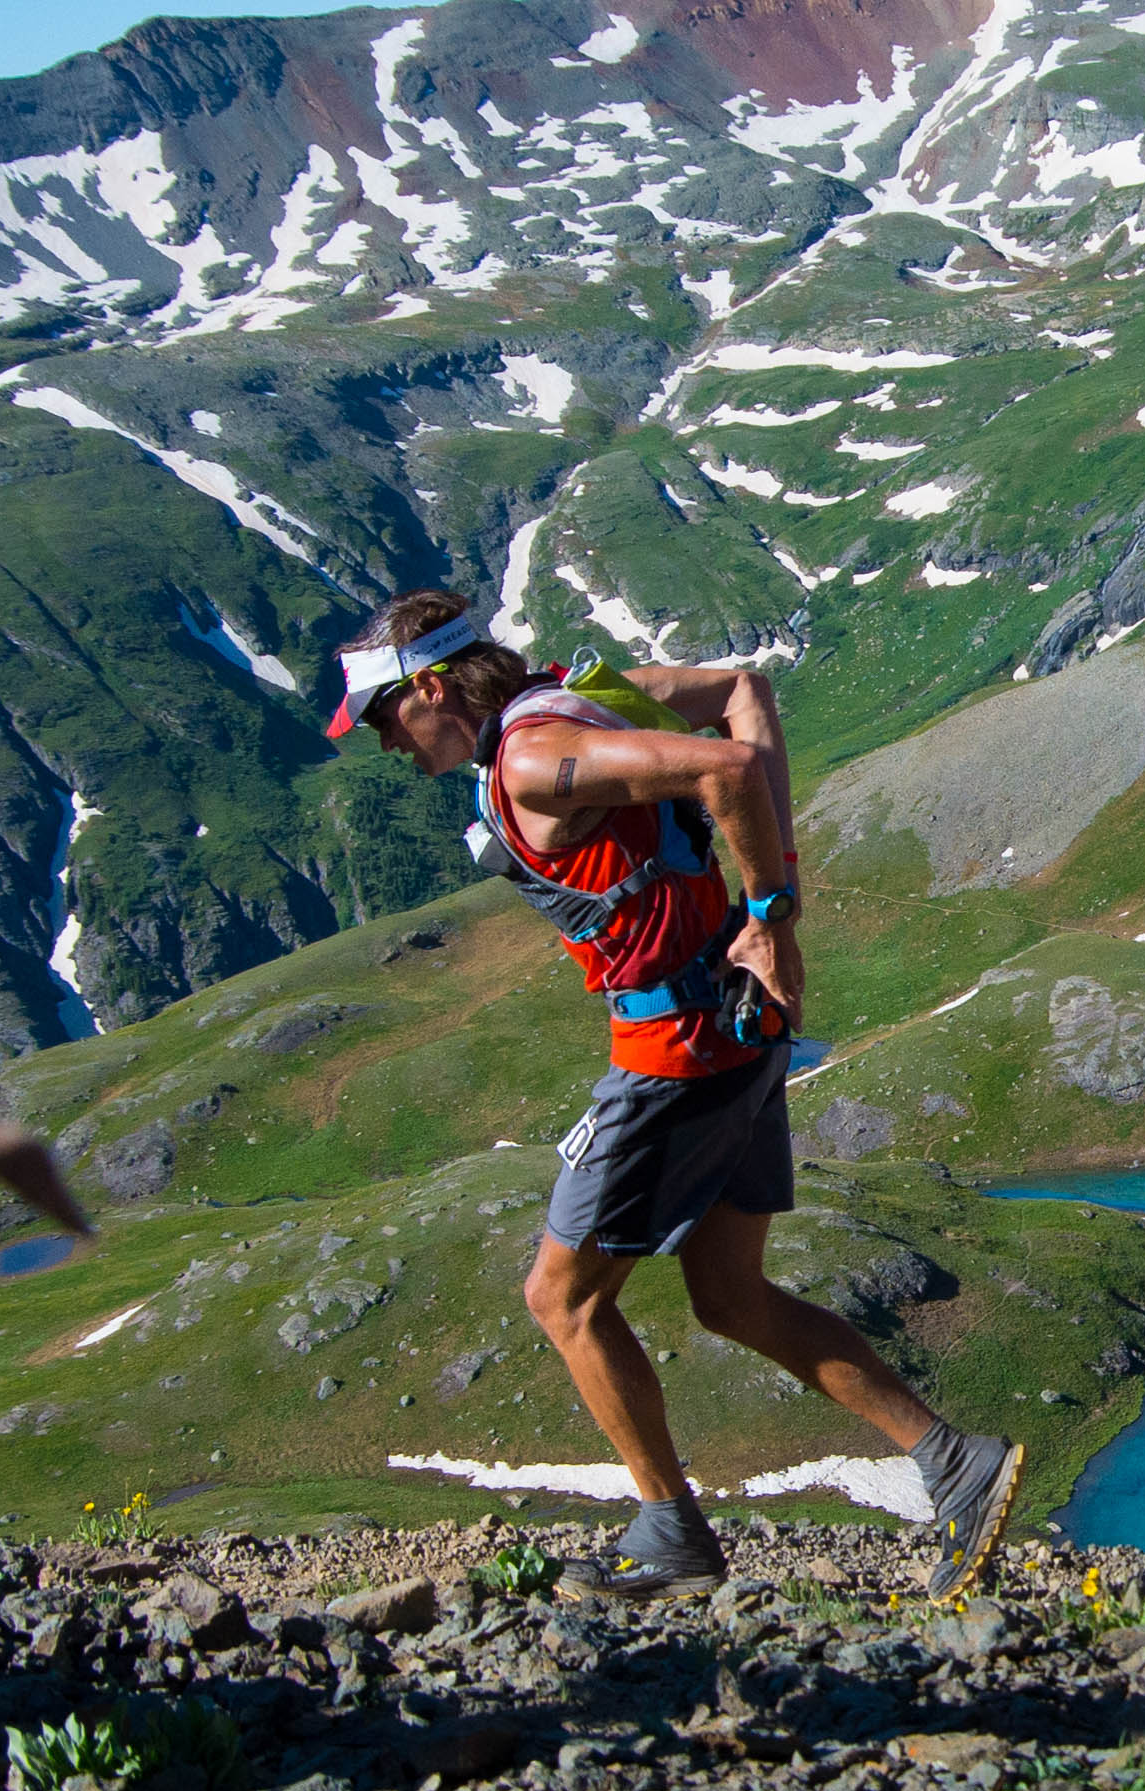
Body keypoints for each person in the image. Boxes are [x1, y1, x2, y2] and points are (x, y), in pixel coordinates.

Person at [327, 589, 1026, 1604]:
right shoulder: (579, 699)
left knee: (560, 1298)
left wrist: (772, 913)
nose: (387, 744)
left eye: (386, 718)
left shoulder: (529, 760)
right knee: (729, 1295)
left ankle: (671, 1532)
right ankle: (954, 1463)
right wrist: (769, 901)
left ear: (431, 686)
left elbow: (728, 763)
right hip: (742, 1035)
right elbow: (742, 691)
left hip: (677, 1053)